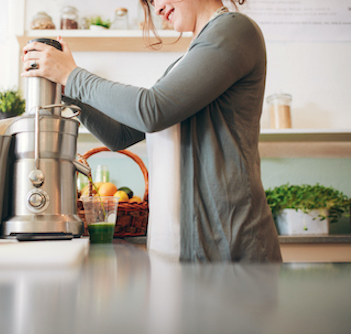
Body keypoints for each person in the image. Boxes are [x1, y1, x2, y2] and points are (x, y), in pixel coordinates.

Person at [22, 0, 283, 262]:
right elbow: (121, 135)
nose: (156, 9)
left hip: (229, 246)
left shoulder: (234, 29)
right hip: (180, 247)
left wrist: (73, 76)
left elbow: (152, 110)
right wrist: (70, 90)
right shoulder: (183, 63)